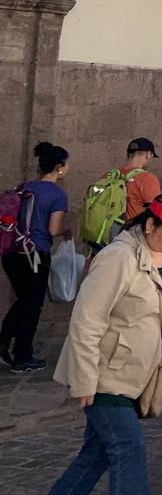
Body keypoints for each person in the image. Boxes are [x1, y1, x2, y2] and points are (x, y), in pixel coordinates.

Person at [26, 190, 162, 495]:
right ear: (150, 225)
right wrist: (84, 380)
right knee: (129, 447)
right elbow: (86, 321)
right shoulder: (117, 258)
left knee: (95, 456)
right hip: (104, 374)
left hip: (138, 374)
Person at [2, 142, 70, 374]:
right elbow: (53, 229)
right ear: (59, 167)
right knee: (32, 306)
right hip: (34, 255)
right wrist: (66, 231)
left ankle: (3, 342)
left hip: (11, 252)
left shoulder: (23, 187)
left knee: (23, 301)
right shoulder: (57, 195)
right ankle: (22, 357)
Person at [118, 139, 162, 223]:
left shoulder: (109, 175)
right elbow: (156, 211)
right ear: (148, 154)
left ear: (128, 154)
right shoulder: (148, 178)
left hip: (106, 228)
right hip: (131, 228)